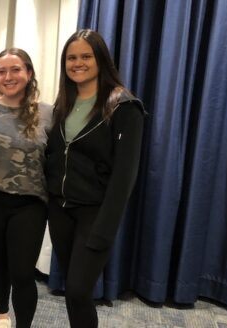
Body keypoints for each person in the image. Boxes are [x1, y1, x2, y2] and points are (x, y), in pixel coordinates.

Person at [44, 29, 145, 328]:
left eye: (86, 56)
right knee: (73, 293)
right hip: (60, 210)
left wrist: (104, 228)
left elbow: (124, 177)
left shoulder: (124, 106)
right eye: (71, 57)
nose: (78, 63)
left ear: (101, 59)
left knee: (78, 290)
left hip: (95, 213)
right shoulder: (64, 103)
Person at [0, 48, 52, 328]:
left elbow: (55, 162)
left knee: (22, 273)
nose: (8, 76)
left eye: (15, 69)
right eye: (2, 71)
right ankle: (2, 316)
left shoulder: (48, 113)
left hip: (30, 204)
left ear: (28, 73)